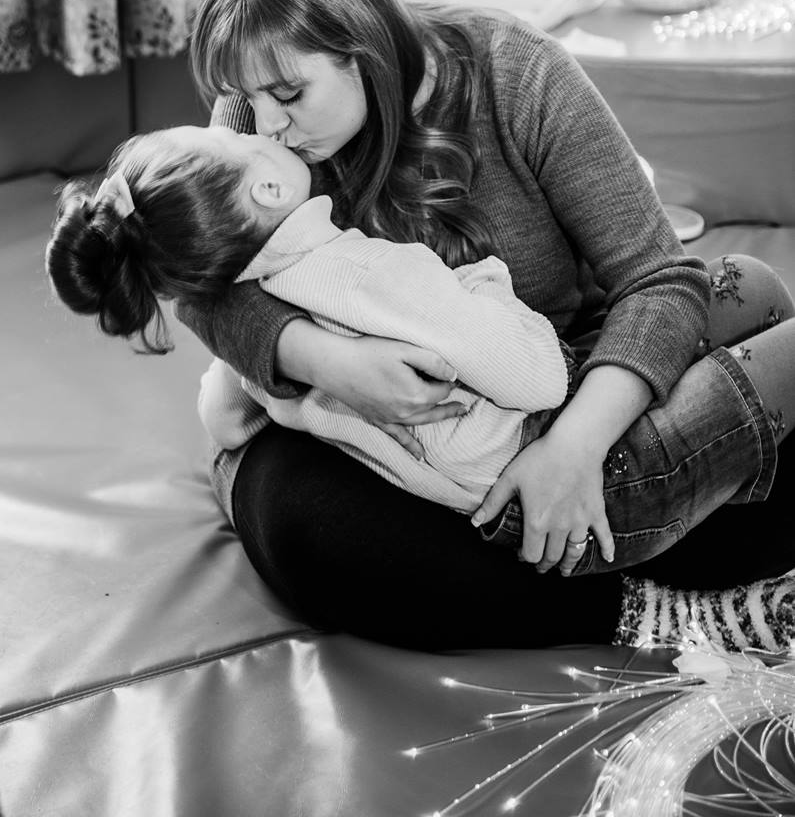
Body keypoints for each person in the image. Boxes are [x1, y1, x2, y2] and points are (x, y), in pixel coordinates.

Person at [104, 0, 795, 650]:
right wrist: (326, 362)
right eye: (245, 98)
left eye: (289, 95)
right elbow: (200, 278)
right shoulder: (253, 108)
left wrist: (571, 453)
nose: (263, 126)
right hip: (404, 450)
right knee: (298, 522)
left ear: (361, 50)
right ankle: (639, 609)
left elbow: (656, 277)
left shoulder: (516, 73)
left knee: (745, 293)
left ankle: (566, 540)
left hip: (554, 372)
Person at [46, 124, 794, 590]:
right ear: (267, 182)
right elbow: (538, 374)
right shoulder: (365, 273)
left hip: (492, 491)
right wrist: (482, 284)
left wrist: (260, 390)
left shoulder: (270, 292)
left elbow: (243, 402)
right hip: (593, 481)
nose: (263, 124)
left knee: (749, 289)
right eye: (246, 135)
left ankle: (740, 485)